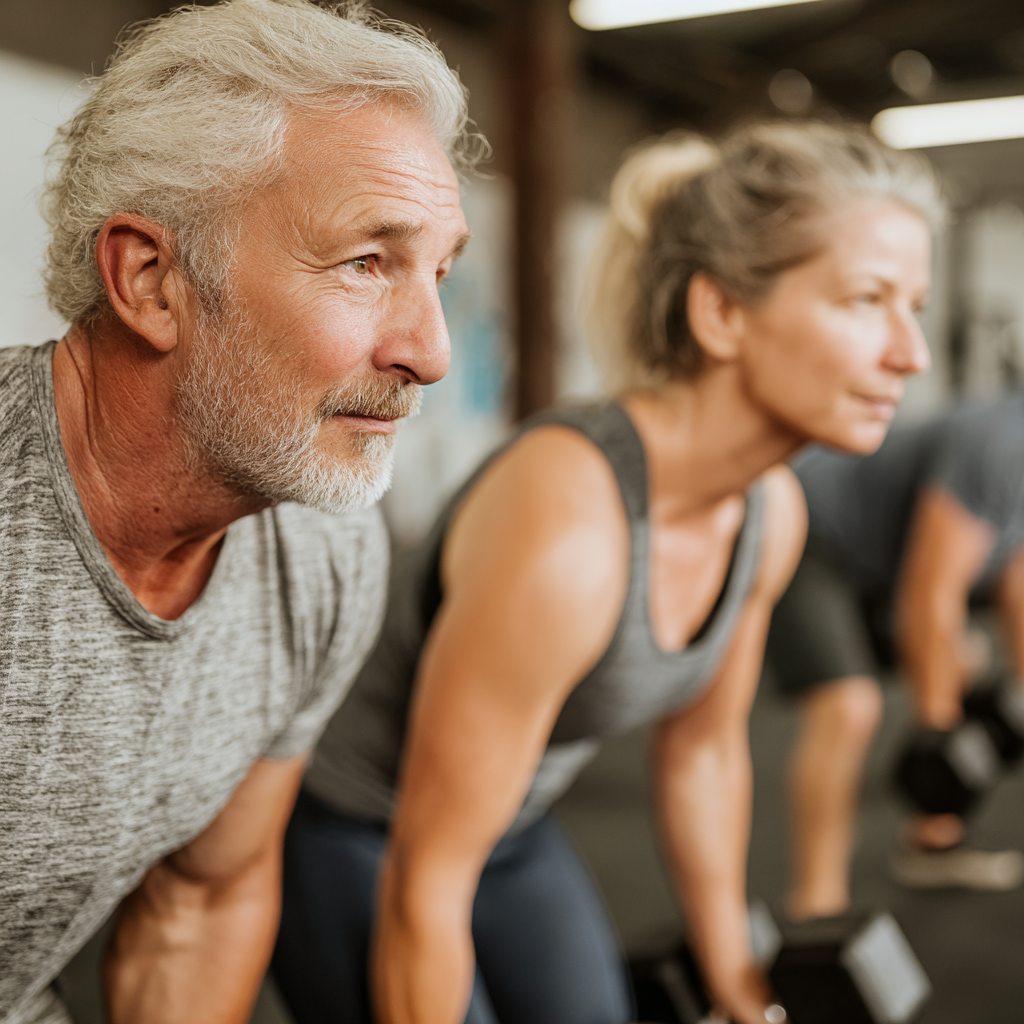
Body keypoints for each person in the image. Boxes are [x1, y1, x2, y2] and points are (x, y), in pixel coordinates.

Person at [271, 121, 940, 1024]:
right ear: (722, 315)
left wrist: (741, 982)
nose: (912, 354)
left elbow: (703, 753)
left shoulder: (769, 513)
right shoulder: (571, 524)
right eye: (867, 300)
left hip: (513, 828)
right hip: (356, 831)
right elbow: (426, 875)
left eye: (917, 308)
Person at [0, 1, 477, 1021]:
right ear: (151, 278)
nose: (430, 353)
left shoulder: (327, 550)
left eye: (438, 271)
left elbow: (201, 901)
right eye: (366, 262)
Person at [769, 401, 1024, 920]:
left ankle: (931, 842)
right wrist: (939, 749)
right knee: (848, 708)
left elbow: (1017, 576)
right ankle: (818, 912)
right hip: (812, 531)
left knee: (964, 659)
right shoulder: (1001, 444)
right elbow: (927, 602)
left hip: (882, 560)